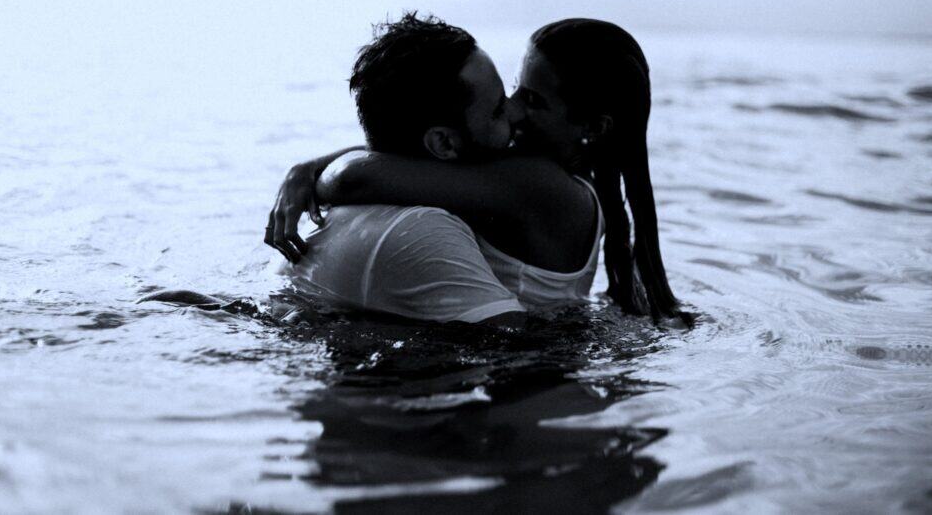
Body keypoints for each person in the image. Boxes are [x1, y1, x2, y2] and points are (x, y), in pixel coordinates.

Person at [269, 17, 682, 322]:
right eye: (515, 90)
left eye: (534, 102)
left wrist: (310, 173)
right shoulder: (528, 175)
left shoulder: (540, 186)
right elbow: (416, 158)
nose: (515, 109)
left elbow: (356, 177)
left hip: (520, 370)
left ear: (592, 128)